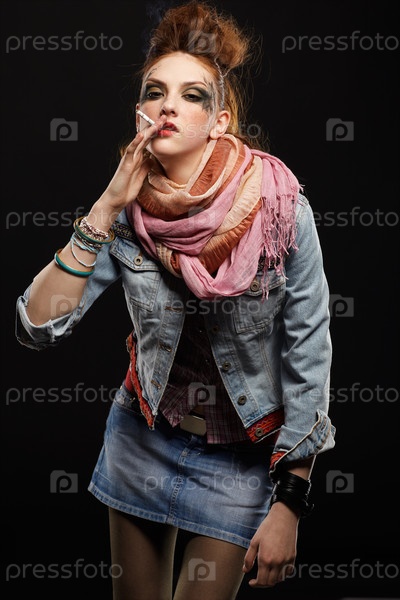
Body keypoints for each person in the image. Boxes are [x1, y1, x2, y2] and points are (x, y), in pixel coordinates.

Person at [15, 1, 336, 598]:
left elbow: (309, 351)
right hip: (143, 438)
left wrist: (291, 498)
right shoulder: (126, 213)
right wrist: (105, 208)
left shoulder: (279, 205)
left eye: (191, 95)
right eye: (155, 92)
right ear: (140, 113)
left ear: (219, 120)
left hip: (241, 457)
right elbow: (36, 325)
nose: (168, 105)